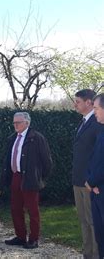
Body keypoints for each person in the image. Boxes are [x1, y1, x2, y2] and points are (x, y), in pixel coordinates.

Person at [2, 112, 52, 249]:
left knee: (32, 210)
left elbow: (47, 161)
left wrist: (38, 177)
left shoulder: (36, 138)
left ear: (27, 123)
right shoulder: (12, 138)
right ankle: (20, 236)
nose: (15, 125)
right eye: (14, 122)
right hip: (16, 176)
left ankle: (34, 239)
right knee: (15, 208)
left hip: (30, 178)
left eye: (18, 122)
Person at [72, 89, 104, 258]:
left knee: (94, 222)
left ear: (89, 102)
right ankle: (87, 254)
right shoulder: (83, 121)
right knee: (84, 221)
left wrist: (94, 181)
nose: (74, 105)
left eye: (77, 101)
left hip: (91, 182)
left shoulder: (98, 123)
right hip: (78, 180)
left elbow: (99, 154)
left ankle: (97, 254)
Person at [85, 93, 104, 259]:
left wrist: (92, 181)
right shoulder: (102, 133)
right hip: (97, 190)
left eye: (97, 108)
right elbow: (93, 161)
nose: (95, 111)